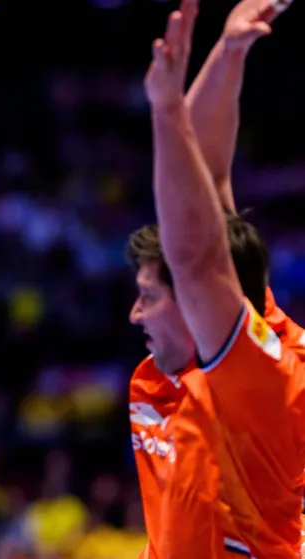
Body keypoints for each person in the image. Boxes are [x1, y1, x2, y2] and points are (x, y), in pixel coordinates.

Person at [128, 0, 305, 556]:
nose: (134, 314)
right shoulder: (240, 323)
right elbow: (208, 175)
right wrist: (230, 53)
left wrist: (166, 112)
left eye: (148, 297)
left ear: (193, 302)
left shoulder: (263, 380)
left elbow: (198, 258)